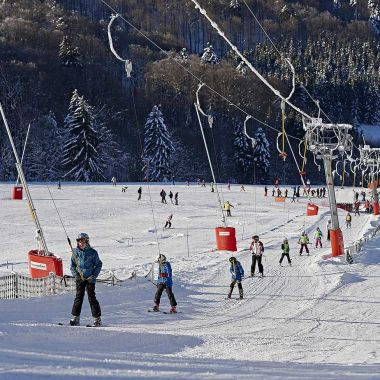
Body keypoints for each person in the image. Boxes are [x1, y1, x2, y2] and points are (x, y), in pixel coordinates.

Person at [69, 233, 102, 327]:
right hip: (80, 278)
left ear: (87, 241)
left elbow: (98, 264)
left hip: (90, 279)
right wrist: (76, 275)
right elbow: (72, 266)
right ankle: (75, 317)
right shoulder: (75, 252)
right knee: (78, 297)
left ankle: (97, 319)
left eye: (82, 241)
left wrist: (94, 276)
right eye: (79, 241)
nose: (80, 243)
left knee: (91, 297)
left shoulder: (93, 252)